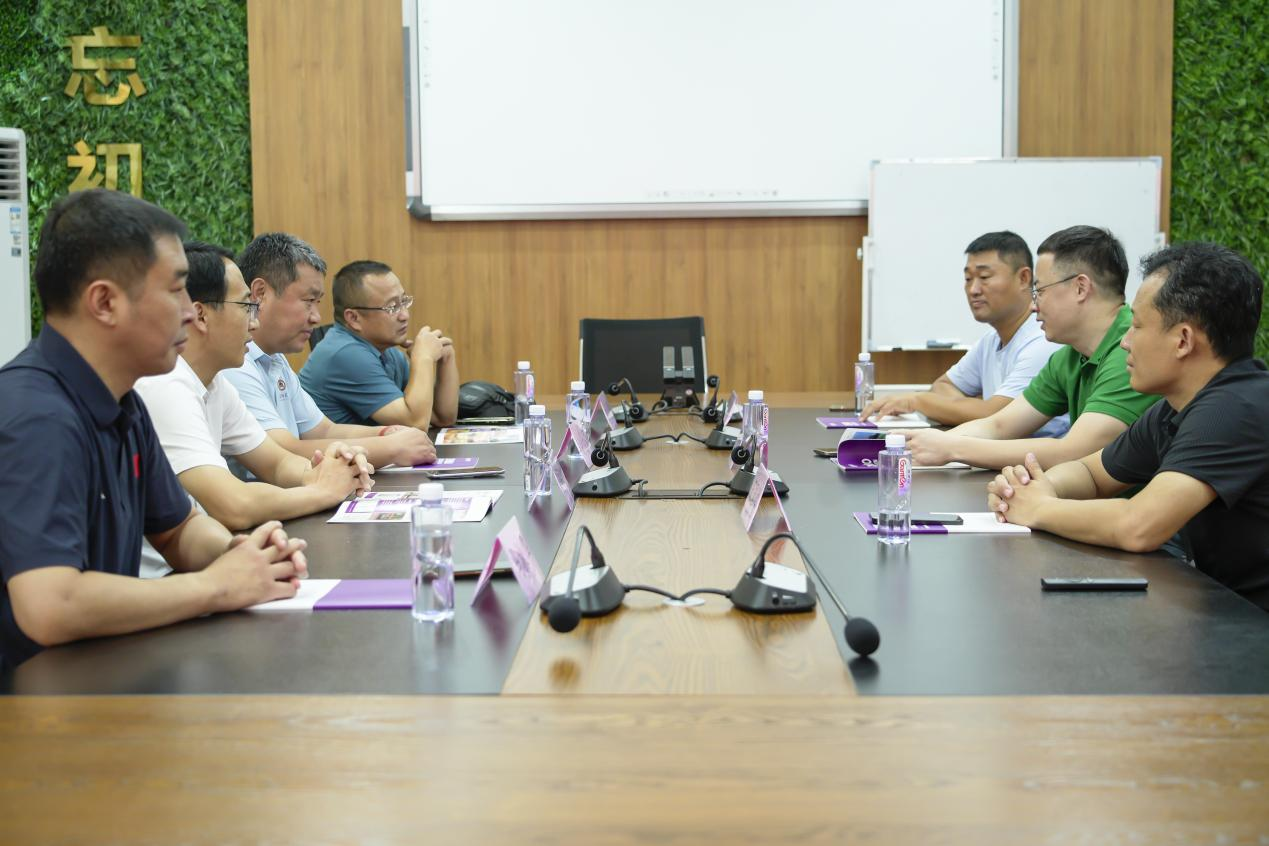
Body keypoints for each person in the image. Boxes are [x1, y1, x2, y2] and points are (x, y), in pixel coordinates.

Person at [0, 190, 307, 672]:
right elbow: (50, 605)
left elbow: (178, 529)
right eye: (175, 290)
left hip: (105, 672)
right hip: (32, 701)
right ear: (105, 302)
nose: (189, 311)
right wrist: (214, 585)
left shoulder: (124, 400)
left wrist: (240, 554)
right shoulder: (36, 414)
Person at [988, 242, 1269, 611]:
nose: (1125, 341)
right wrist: (1033, 487)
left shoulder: (1234, 409)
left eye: (1136, 325)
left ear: (1183, 340)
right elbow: (1092, 474)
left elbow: (1139, 526)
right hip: (1222, 607)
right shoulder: (1173, 407)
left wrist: (1038, 508)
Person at [133, 242, 374, 577]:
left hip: (202, 564)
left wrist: (324, 471)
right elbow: (233, 505)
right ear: (200, 315)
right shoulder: (164, 385)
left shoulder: (216, 384)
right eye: (247, 306)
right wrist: (322, 491)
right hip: (163, 581)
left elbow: (276, 463)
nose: (254, 323)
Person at [902, 225, 1160, 470]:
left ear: (1080, 288)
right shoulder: (1069, 355)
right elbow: (999, 425)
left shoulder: (1131, 351)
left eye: (1040, 291)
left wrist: (952, 448)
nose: (1033, 305)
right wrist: (914, 445)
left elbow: (1072, 451)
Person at [222, 234, 438, 469]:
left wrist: (386, 433)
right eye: (308, 300)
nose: (316, 317)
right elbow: (282, 452)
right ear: (260, 293)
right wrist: (392, 448)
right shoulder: (235, 364)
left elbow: (323, 430)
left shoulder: (275, 359)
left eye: (317, 302)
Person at [860, 231, 1066, 436]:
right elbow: (942, 386)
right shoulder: (991, 340)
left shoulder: (1044, 340)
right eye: (968, 278)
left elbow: (999, 417)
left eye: (984, 277)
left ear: (1023, 278)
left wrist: (917, 400)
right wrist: (972, 409)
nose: (973, 289)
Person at [299, 260, 459, 429]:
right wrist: (423, 358)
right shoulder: (346, 354)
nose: (404, 315)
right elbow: (417, 424)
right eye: (392, 307)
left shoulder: (386, 352)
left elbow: (442, 418)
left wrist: (446, 358)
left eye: (404, 302)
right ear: (354, 318)